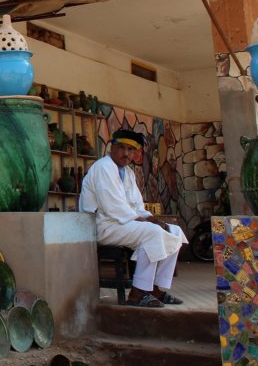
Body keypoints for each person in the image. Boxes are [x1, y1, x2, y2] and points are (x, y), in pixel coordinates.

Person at [79, 129, 188, 308]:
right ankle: (138, 293)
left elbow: (137, 205)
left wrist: (150, 218)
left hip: (123, 224)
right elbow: (113, 207)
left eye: (131, 150)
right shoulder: (103, 167)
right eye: (121, 148)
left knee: (174, 231)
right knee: (152, 233)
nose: (126, 153)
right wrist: (146, 221)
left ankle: (155, 288)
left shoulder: (127, 173)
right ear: (112, 148)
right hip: (103, 226)